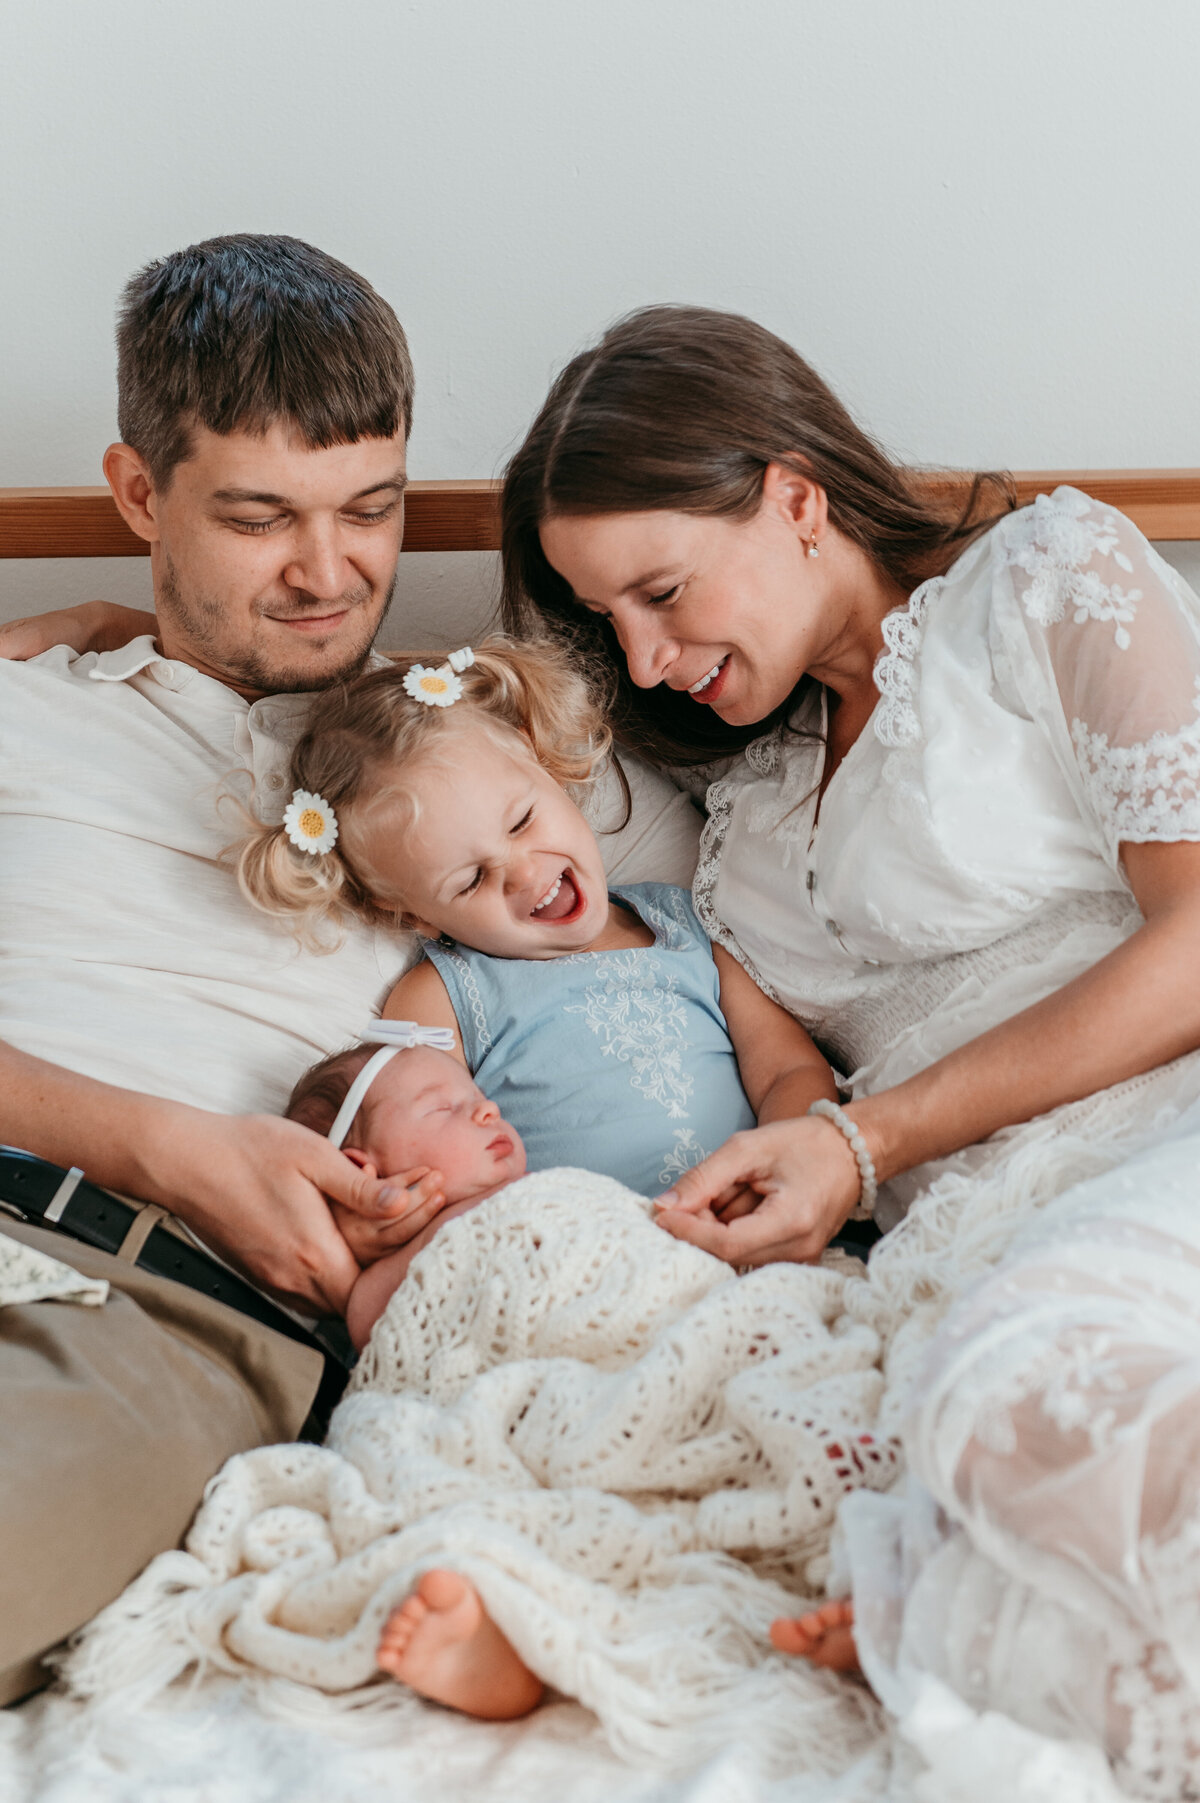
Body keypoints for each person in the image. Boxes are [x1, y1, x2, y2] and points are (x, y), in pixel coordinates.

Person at [496, 303, 1200, 1786]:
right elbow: (795, 1079)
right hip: (965, 1226)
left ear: (796, 497)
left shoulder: (1046, 580)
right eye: (604, 617)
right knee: (975, 1443)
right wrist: (803, 1154)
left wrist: (867, 1141)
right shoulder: (739, 819)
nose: (643, 651)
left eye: (662, 590)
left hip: (1162, 1125)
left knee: (1065, 1398)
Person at [0, 241, 699, 1705]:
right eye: (259, 518)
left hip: (150, 1301)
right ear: (138, 494)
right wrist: (154, 1132)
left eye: (370, 510)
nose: (330, 574)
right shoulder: (27, 703)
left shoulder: (490, 785)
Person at [236, 634, 837, 1218]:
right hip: (591, 1254)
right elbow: (407, 1145)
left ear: (548, 768)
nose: (523, 874)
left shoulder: (688, 922)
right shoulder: (443, 995)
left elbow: (788, 1069)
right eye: (469, 881)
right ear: (413, 915)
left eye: (522, 821)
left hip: (756, 1209)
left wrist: (776, 1169)